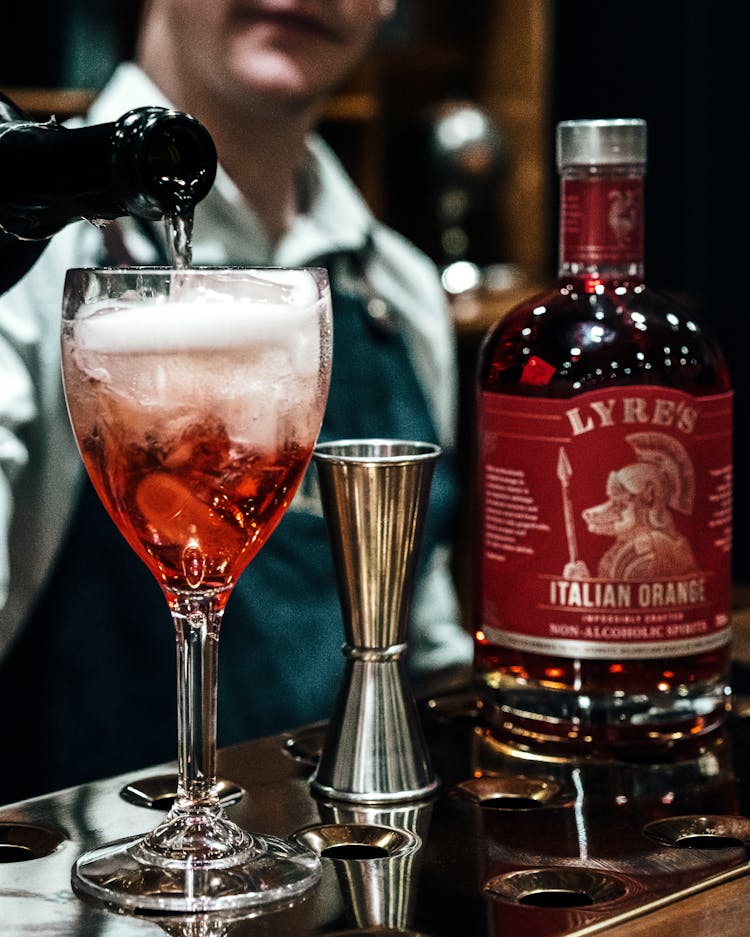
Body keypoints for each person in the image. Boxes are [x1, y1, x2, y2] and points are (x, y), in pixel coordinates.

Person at [0, 0, 472, 804]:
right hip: (86, 895)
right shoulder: (32, 261)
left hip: (346, 878)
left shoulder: (399, 286)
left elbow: (417, 638)